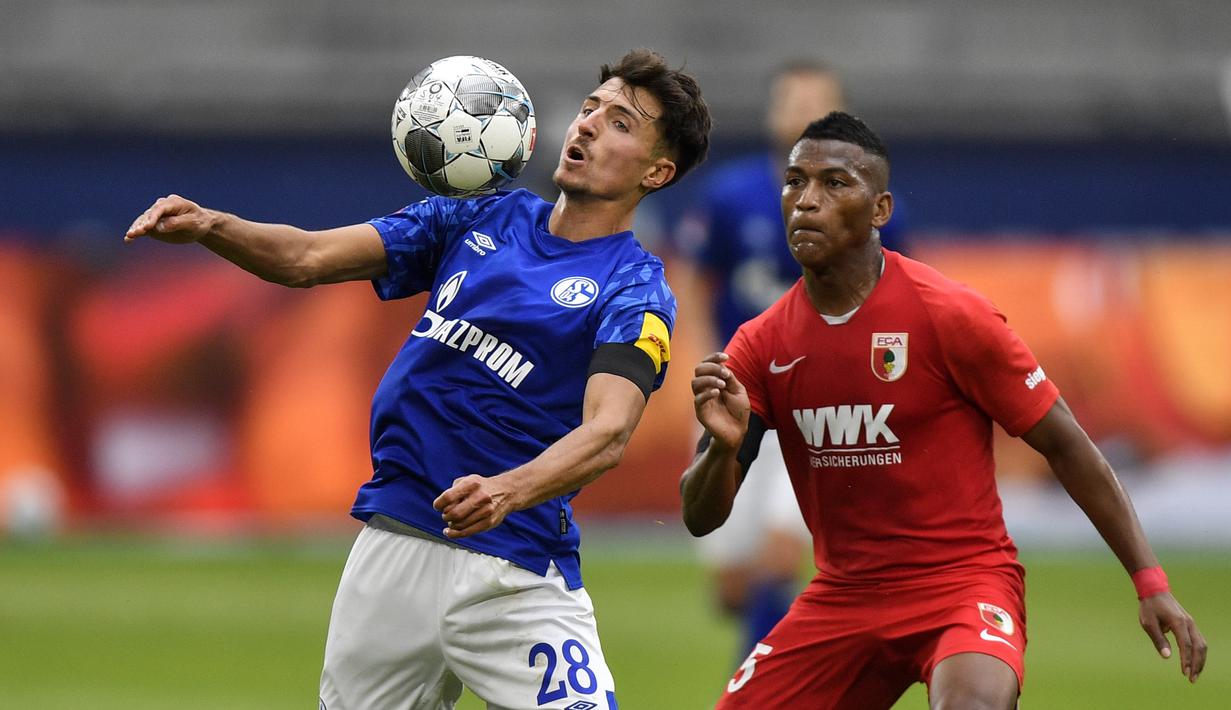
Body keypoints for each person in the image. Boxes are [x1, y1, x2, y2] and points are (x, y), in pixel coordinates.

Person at [125, 48, 711, 710]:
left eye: (620, 123)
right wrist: (211, 225)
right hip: (392, 549)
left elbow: (608, 431)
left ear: (658, 171)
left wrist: (505, 491)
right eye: (588, 108)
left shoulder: (634, 288)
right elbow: (308, 258)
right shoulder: (476, 216)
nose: (587, 126)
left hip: (512, 569)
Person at [679, 112, 1206, 708]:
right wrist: (723, 448)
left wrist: (1150, 580)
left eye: (833, 183)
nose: (806, 200)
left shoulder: (948, 314)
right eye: (795, 182)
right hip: (844, 597)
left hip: (962, 586)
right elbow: (700, 517)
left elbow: (1067, 445)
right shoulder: (760, 344)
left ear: (880, 211)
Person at [675, 60, 906, 659]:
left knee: (780, 557)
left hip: (821, 402)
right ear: (773, 112)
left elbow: (897, 301)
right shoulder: (729, 195)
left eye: (818, 102)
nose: (803, 112)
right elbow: (698, 285)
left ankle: (754, 693)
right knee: (734, 583)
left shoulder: (874, 206)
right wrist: (698, 368)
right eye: (792, 100)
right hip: (740, 397)